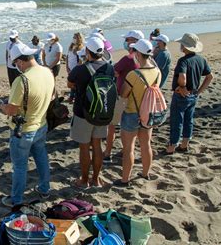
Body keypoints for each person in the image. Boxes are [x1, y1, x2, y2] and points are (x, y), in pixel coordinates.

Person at [0, 44, 54, 207]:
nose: (16, 67)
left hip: (24, 130)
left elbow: (12, 110)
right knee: (41, 158)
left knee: (20, 166)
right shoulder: (47, 72)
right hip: (41, 124)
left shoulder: (22, 81)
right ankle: (44, 188)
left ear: (20, 61)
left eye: (16, 64)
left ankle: (16, 199)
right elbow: (52, 95)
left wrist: (0, 105)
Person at [67, 37, 114, 188]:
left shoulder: (80, 69)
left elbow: (70, 83)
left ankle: (84, 180)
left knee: (84, 147)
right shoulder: (109, 68)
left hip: (83, 112)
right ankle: (96, 179)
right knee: (97, 145)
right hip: (101, 111)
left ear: (87, 51)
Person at [115, 39, 160, 186]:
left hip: (132, 112)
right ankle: (145, 173)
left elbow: (124, 94)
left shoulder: (134, 75)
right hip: (148, 112)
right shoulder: (157, 71)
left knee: (129, 148)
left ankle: (125, 179)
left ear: (138, 54)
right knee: (146, 144)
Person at [165, 33, 214, 154]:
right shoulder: (201, 59)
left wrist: (182, 86)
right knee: (188, 120)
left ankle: (172, 147)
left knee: (177, 121)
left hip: (182, 95)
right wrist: (199, 91)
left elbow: (182, 76)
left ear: (185, 47)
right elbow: (210, 77)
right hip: (193, 94)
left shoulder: (183, 61)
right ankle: (184, 144)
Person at [103, 30, 144, 163]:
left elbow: (114, 72)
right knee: (131, 128)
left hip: (122, 96)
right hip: (138, 98)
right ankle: (124, 150)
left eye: (127, 40)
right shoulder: (145, 59)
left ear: (134, 42)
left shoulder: (129, 58)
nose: (125, 42)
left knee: (112, 126)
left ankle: (108, 152)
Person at [66, 32, 85, 103]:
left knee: (76, 84)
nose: (73, 39)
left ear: (79, 39)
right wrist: (67, 67)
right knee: (71, 83)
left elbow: (80, 61)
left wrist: (75, 70)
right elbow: (68, 56)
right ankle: (71, 96)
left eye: (75, 37)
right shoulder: (71, 46)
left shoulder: (80, 48)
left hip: (76, 69)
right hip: (70, 68)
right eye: (73, 37)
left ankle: (73, 97)